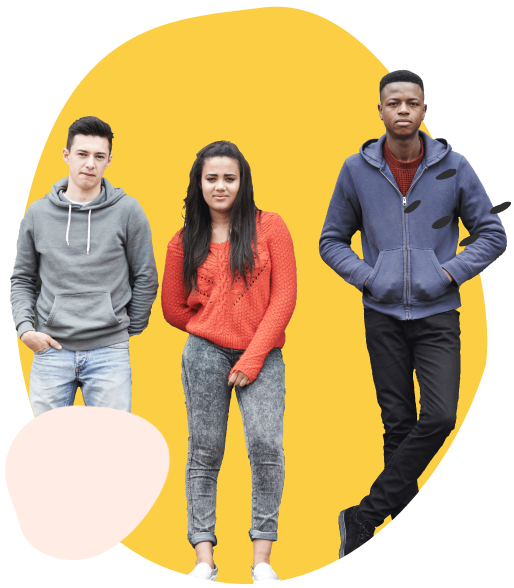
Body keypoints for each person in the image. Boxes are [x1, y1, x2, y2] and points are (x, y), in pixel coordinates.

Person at [319, 70, 507, 558]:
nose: (402, 110)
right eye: (393, 103)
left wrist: (448, 274)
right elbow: (331, 240)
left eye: (412, 103)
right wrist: (367, 277)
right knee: (398, 423)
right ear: (379, 110)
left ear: (425, 110)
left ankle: (363, 515)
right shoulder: (356, 170)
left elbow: (492, 233)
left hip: (438, 314)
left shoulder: (456, 167)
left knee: (440, 416)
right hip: (381, 315)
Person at [161, 140, 297, 582]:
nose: (221, 186)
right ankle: (203, 559)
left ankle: (261, 561)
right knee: (204, 452)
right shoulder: (183, 241)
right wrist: (210, 329)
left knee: (265, 446)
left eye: (229, 178)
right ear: (199, 183)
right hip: (204, 356)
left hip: (263, 354)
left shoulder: (270, 227)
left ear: (243, 182)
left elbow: (284, 298)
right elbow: (172, 309)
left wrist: (252, 357)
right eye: (212, 178)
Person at [10, 116, 159, 416]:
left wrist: (124, 329)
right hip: (51, 351)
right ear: (66, 155)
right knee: (48, 449)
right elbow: (22, 280)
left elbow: (146, 276)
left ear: (108, 161)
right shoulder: (38, 214)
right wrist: (26, 330)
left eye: (98, 156)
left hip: (109, 354)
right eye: (82, 154)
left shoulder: (128, 211)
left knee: (112, 449)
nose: (90, 163)